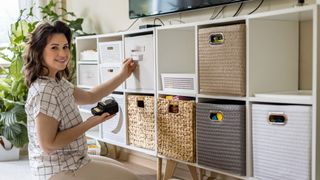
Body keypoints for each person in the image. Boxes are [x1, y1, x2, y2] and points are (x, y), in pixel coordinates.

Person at [23, 20, 137, 180]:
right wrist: (91, 122)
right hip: (58, 169)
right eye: (54, 47)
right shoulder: (44, 92)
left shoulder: (56, 81)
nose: (63, 54)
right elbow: (48, 145)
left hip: (73, 159)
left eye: (65, 47)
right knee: (131, 178)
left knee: (121, 168)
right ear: (39, 51)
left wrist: (122, 75)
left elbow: (91, 97)